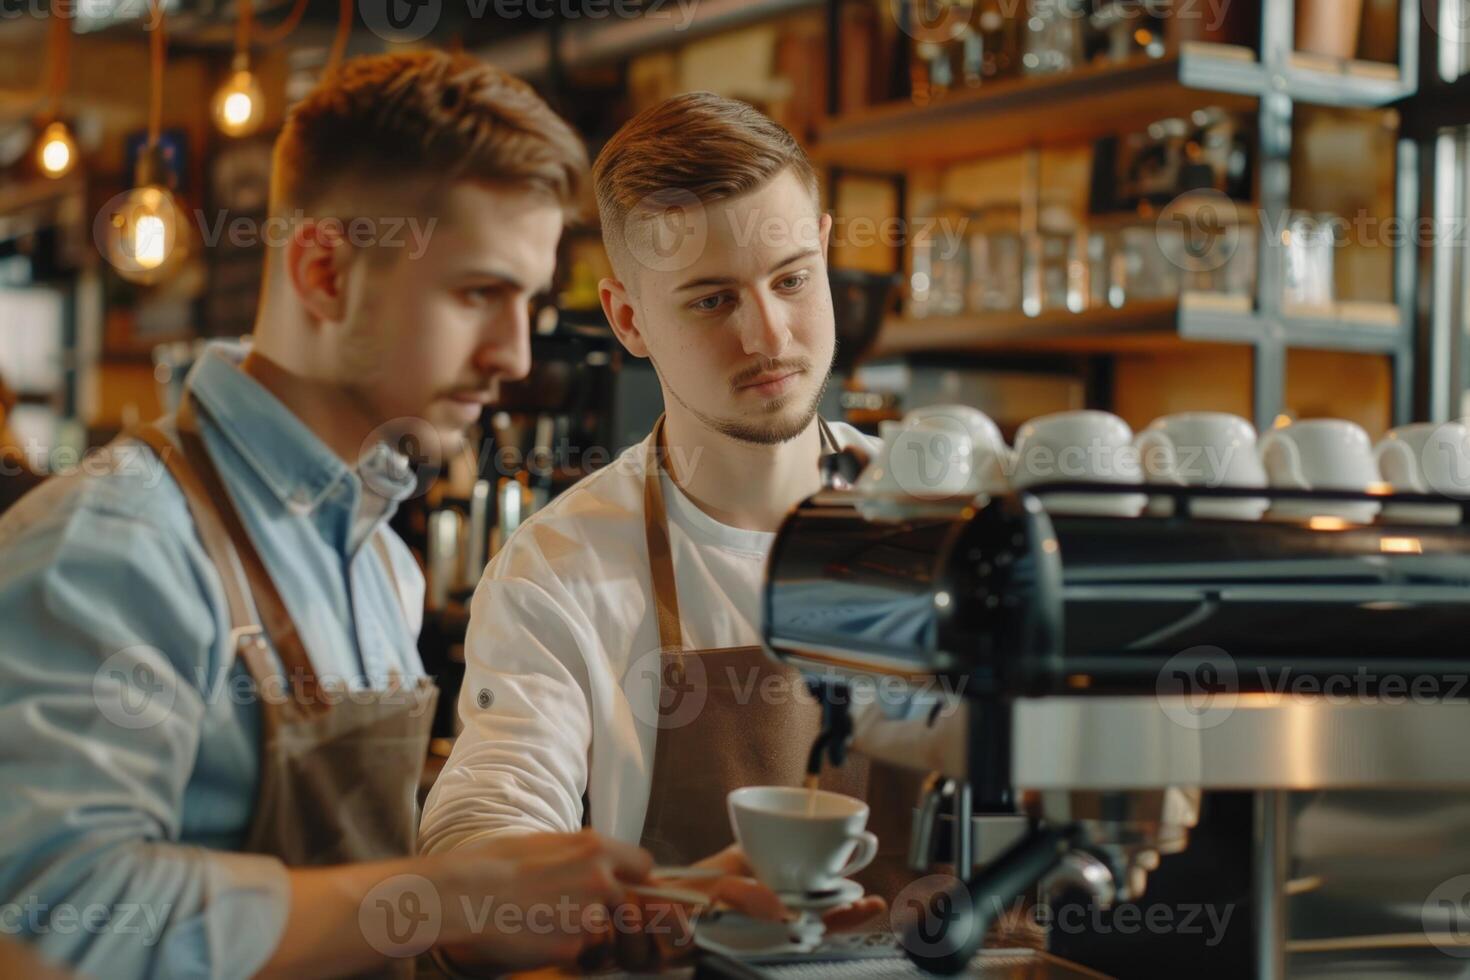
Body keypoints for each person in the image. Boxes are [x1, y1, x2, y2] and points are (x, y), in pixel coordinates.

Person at [0, 51, 673, 979]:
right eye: (479, 293)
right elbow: (48, 922)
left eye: (528, 301)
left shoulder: (378, 565)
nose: (515, 354)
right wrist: (442, 896)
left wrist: (623, 907)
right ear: (324, 272)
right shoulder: (113, 549)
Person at [421, 93, 954, 919]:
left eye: (791, 280)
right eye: (712, 300)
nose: (768, 336)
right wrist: (640, 905)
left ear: (822, 252)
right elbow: (486, 818)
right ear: (629, 319)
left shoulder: (949, 525)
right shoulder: (557, 574)